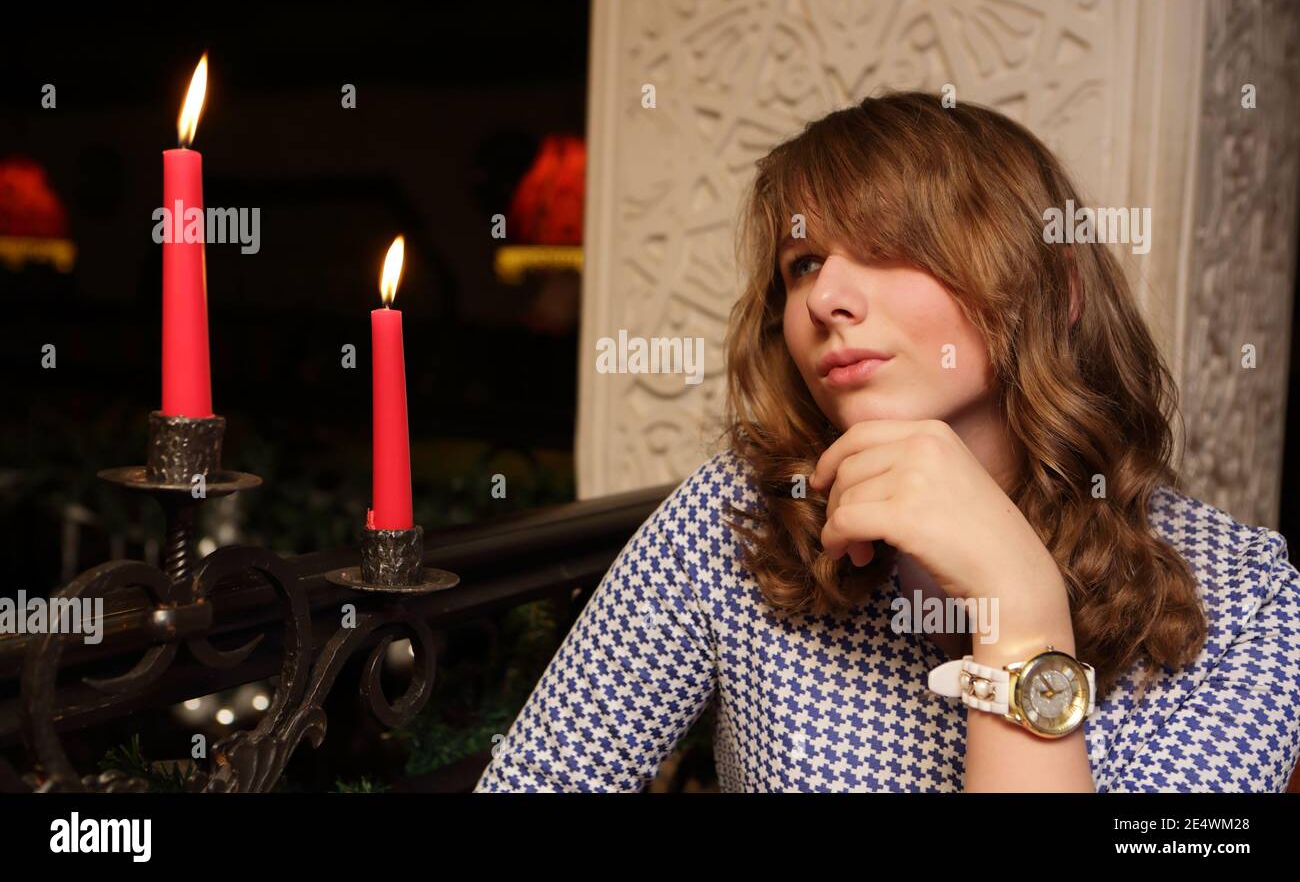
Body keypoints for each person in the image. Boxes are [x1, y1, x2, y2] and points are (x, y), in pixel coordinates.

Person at [474, 91, 1300, 792]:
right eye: (802, 264)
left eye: (888, 247)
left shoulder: (1248, 600)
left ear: (1058, 287)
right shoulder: (746, 513)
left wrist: (1018, 607)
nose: (826, 296)